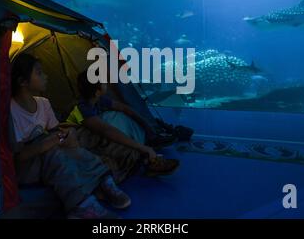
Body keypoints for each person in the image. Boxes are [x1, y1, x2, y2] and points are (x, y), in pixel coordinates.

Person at [10, 53, 131, 219]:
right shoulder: (11, 111)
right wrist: (49, 143)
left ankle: (104, 181)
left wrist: (66, 137)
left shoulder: (43, 103)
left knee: (72, 147)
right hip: (27, 168)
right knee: (53, 152)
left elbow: (54, 133)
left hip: (47, 152)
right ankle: (81, 206)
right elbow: (18, 157)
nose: (45, 76)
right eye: (39, 73)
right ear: (23, 82)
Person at [65, 70, 180, 182]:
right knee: (113, 122)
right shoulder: (81, 110)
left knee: (119, 116)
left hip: (99, 134)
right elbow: (106, 131)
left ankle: (147, 149)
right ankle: (148, 160)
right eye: (104, 83)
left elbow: (124, 108)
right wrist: (142, 148)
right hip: (80, 141)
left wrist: (147, 127)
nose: (106, 84)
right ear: (97, 92)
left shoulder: (97, 99)